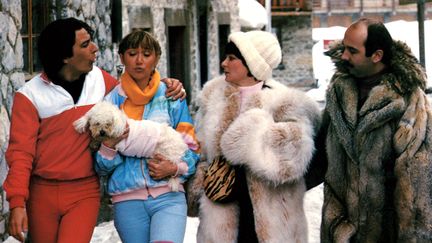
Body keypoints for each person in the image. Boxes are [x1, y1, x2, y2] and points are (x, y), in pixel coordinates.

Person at [3, 18, 185, 243]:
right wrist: (17, 202)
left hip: (84, 191)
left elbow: (136, 89)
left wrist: (167, 84)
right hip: (41, 193)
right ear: (65, 56)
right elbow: (20, 154)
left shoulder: (101, 81)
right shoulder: (29, 95)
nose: (95, 48)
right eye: (85, 44)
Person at [306, 17, 432, 242]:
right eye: (343, 48)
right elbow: (317, 158)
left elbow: (418, 185)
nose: (344, 56)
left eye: (352, 51)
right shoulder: (339, 92)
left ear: (377, 55)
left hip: (385, 235)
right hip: (340, 232)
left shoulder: (408, 101)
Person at [187, 30, 321, 242]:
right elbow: (198, 152)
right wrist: (199, 188)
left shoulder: (286, 102)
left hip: (273, 219)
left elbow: (294, 160)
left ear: (252, 65)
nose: (223, 63)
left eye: (231, 58)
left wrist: (249, 135)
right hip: (221, 215)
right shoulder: (212, 98)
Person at [94, 29, 200, 243]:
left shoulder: (172, 97)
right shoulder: (110, 103)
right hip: (127, 199)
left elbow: (191, 147)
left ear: (157, 58)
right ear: (122, 57)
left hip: (168, 196)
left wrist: (175, 168)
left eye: (147, 54)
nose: (139, 61)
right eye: (132, 54)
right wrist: (110, 145)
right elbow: (101, 167)